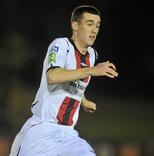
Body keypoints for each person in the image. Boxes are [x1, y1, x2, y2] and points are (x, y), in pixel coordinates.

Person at [9, 5, 118, 156]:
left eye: (97, 26)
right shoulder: (60, 45)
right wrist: (92, 70)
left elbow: (74, 83)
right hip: (43, 130)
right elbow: (53, 76)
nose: (94, 30)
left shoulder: (92, 55)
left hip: (68, 135)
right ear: (75, 25)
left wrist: (83, 101)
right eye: (89, 24)